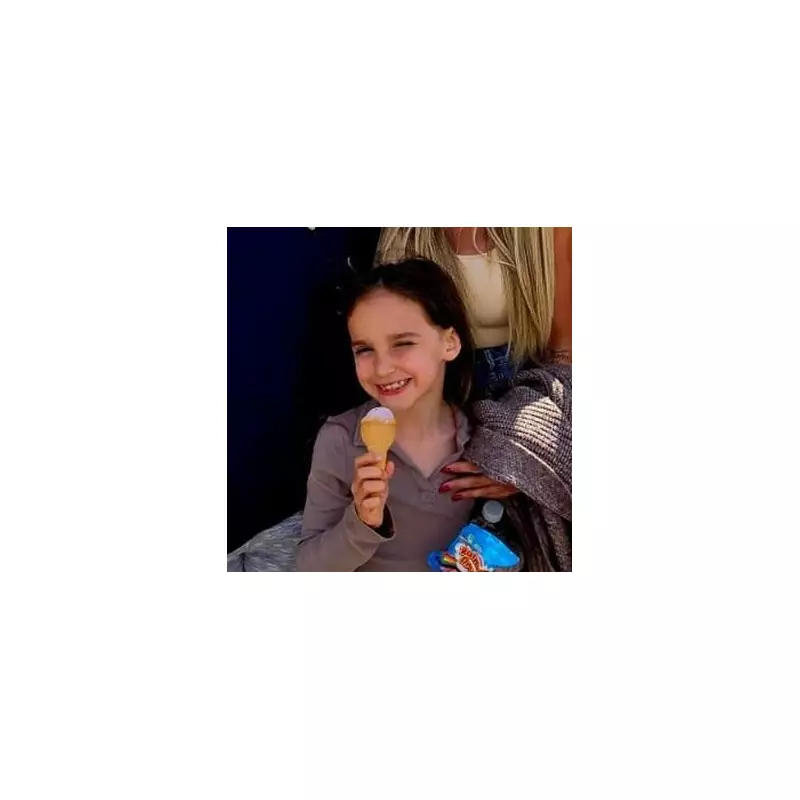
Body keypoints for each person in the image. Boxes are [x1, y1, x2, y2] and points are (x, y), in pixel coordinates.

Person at [296, 259, 478, 571]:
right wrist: (362, 522)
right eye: (364, 350)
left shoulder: (485, 440)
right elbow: (311, 569)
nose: (382, 368)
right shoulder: (340, 441)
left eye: (402, 343)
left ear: (449, 343)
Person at [375, 227, 571, 504]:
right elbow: (386, 347)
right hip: (433, 406)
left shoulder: (549, 229)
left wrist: (524, 457)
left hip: (526, 400)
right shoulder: (404, 232)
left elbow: (565, 356)